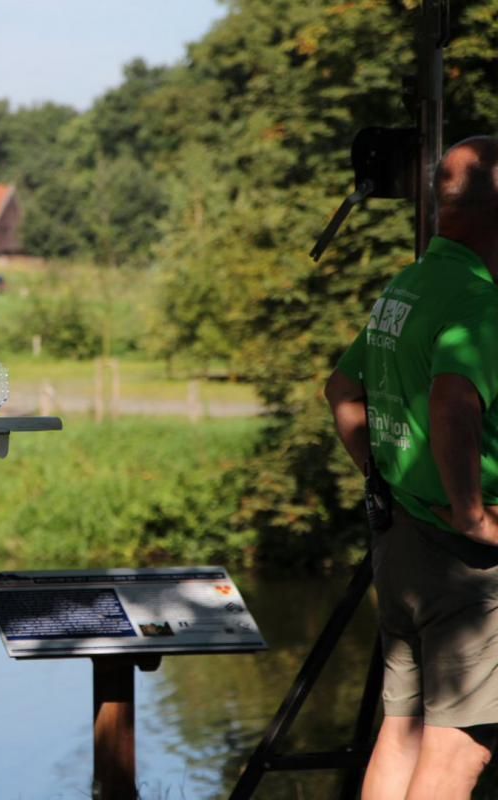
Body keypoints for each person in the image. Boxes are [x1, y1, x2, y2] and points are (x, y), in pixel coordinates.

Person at [325, 136, 498, 799]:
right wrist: (472, 514)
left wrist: (380, 477)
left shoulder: (411, 284)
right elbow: (454, 402)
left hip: (401, 541)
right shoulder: (480, 304)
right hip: (464, 564)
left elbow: (342, 391)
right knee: (459, 755)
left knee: (402, 732)